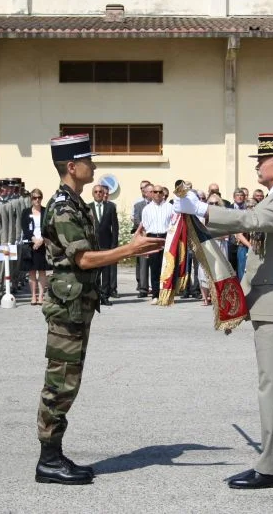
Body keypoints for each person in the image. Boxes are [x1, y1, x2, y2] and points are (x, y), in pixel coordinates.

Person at [175, 132, 273, 489]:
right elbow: (260, 256)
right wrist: (244, 299)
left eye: (262, 160)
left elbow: (250, 222)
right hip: (271, 301)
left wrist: (202, 210)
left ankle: (271, 469)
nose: (256, 165)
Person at [35, 133, 164, 485]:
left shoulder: (76, 203)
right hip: (67, 308)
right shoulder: (63, 207)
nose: (94, 166)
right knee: (60, 383)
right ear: (72, 166)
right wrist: (129, 250)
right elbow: (84, 258)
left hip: (78, 305)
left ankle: (55, 454)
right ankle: (48, 460)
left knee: (68, 382)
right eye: (88, 161)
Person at [141, 185, 174, 304]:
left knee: (166, 267)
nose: (158, 194)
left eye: (160, 192)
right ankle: (155, 295)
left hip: (166, 238)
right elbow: (144, 229)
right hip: (152, 238)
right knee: (154, 268)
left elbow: (173, 225)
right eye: (155, 192)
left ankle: (166, 294)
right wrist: (145, 247)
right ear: (152, 193)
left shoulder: (170, 207)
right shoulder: (147, 209)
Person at [20, 188, 52, 306]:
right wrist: (34, 240)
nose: (37, 200)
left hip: (43, 243)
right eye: (34, 198)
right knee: (32, 272)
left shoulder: (46, 211)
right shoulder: (25, 212)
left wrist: (41, 240)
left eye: (39, 197)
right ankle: (33, 295)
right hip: (30, 244)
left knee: (42, 271)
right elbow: (24, 227)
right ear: (31, 199)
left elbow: (49, 227)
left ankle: (41, 296)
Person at [88, 184, 118, 306]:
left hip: (107, 244)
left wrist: (114, 245)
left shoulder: (110, 207)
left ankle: (105, 296)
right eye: (96, 192)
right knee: (95, 273)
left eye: (100, 191)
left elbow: (115, 227)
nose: (99, 193)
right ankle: (95, 296)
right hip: (93, 245)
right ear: (93, 193)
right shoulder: (87, 208)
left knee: (106, 273)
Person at [197, 194, 228, 305]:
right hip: (205, 245)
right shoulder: (201, 216)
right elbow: (200, 232)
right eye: (211, 203)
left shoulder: (223, 217)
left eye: (216, 203)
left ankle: (218, 297)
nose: (214, 205)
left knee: (220, 272)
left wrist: (210, 234)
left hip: (220, 246)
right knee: (203, 271)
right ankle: (205, 298)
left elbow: (226, 234)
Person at [132, 183, 153, 297]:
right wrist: (144, 230)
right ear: (145, 193)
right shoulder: (138, 206)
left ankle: (156, 288)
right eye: (151, 191)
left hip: (155, 236)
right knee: (143, 264)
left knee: (156, 263)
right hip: (143, 237)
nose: (153, 193)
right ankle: (143, 289)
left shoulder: (158, 205)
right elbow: (136, 220)